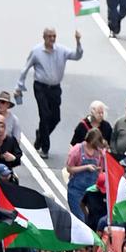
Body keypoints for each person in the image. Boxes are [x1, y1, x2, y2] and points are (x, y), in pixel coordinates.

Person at [16, 28, 84, 158]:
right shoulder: (37, 51)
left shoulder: (61, 50)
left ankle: (40, 136)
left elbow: (76, 56)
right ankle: (45, 148)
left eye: (54, 36)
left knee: (56, 117)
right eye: (49, 36)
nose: (52, 39)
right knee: (44, 115)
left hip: (55, 88)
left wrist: (78, 41)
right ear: (44, 37)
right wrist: (19, 86)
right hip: (41, 87)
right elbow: (26, 68)